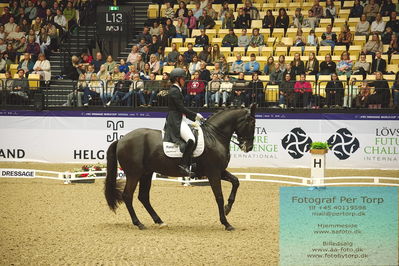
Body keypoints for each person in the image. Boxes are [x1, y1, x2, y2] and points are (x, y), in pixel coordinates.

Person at [164, 68, 204, 175]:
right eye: (183, 79)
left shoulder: (177, 90)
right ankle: (183, 165)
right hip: (175, 120)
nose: (184, 81)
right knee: (191, 139)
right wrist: (196, 116)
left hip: (179, 118)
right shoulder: (174, 91)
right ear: (177, 79)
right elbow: (181, 108)